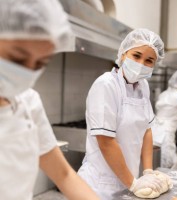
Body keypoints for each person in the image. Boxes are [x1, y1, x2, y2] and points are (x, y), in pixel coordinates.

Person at [0, 0, 100, 200]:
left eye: (39, 63)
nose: (26, 72)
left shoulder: (28, 103)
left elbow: (64, 176)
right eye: (18, 59)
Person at [78, 28, 172, 200]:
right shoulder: (106, 84)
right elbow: (106, 141)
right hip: (100, 186)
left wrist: (148, 171)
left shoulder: (142, 86)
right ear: (123, 54)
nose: (141, 63)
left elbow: (147, 130)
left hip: (128, 181)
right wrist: (134, 184)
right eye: (136, 56)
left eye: (149, 60)